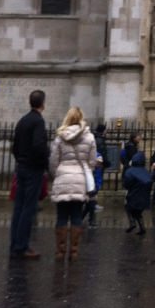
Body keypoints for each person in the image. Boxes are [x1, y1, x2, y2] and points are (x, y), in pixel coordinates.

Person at [49, 106, 97, 262]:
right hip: (80, 179)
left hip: (63, 177)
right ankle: (74, 251)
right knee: (77, 216)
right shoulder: (89, 138)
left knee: (62, 217)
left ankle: (60, 251)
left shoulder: (59, 137)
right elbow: (92, 162)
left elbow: (53, 162)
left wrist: (59, 173)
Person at [10, 89, 49, 260]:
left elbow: (15, 147)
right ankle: (22, 246)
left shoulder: (23, 121)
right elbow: (38, 146)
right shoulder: (38, 121)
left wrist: (21, 160)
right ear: (43, 104)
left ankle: (15, 244)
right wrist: (44, 164)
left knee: (19, 207)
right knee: (28, 208)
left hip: (22, 167)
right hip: (33, 169)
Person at [123, 151, 152, 234]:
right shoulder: (145, 171)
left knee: (128, 208)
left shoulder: (130, 171)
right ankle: (142, 228)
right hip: (144, 198)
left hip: (134, 196)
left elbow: (126, 184)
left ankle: (132, 222)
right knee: (138, 212)